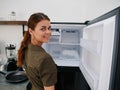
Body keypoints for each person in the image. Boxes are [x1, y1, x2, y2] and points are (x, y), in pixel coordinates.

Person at [17, 12, 57, 90]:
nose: (49, 32)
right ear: (31, 31)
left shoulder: (26, 48)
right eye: (43, 29)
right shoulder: (45, 59)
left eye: (49, 28)